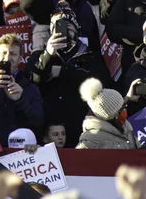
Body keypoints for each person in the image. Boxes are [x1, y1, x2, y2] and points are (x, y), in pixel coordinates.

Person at [25, 9, 112, 147]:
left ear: (77, 28)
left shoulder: (90, 55)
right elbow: (31, 80)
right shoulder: (40, 55)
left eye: (69, 27)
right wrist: (48, 55)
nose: (65, 32)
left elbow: (102, 84)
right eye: (59, 28)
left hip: (80, 125)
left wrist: (64, 71)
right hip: (49, 129)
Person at [76, 78, 140, 149]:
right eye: (122, 108)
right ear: (113, 115)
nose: (125, 109)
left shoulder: (125, 125)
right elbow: (77, 158)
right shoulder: (90, 140)